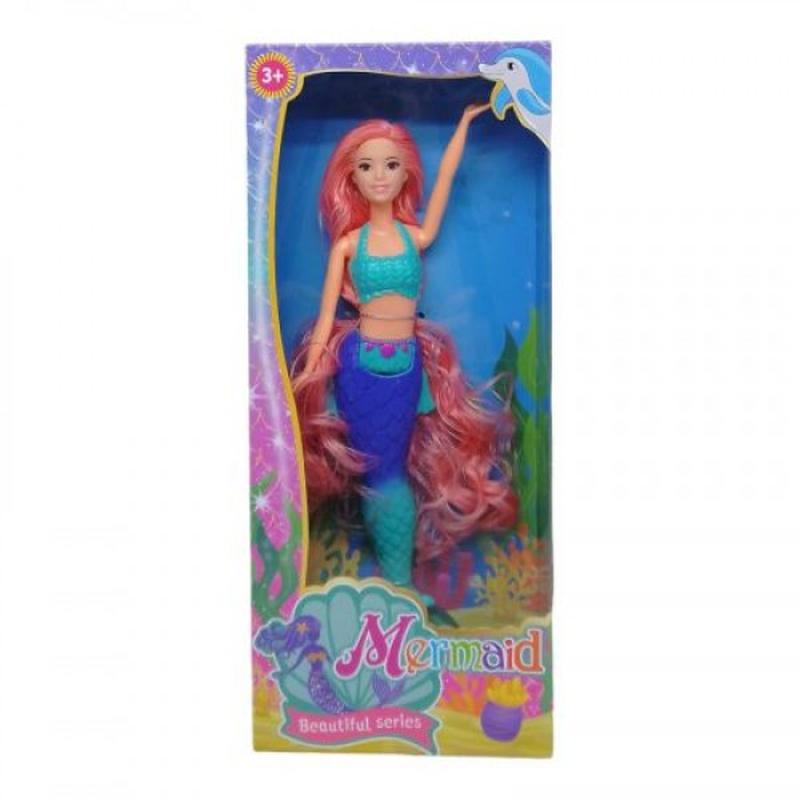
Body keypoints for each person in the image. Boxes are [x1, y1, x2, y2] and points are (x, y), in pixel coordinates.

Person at [291, 105, 517, 597]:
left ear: (406, 173)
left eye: (391, 165)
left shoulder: (417, 236)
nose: (379, 176)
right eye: (366, 166)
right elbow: (327, 317)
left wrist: (463, 125)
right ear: (351, 177)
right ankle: (396, 582)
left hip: (406, 366)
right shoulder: (348, 246)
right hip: (359, 365)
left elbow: (447, 179)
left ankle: (396, 581)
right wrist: (308, 373)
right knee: (381, 473)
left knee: (389, 471)